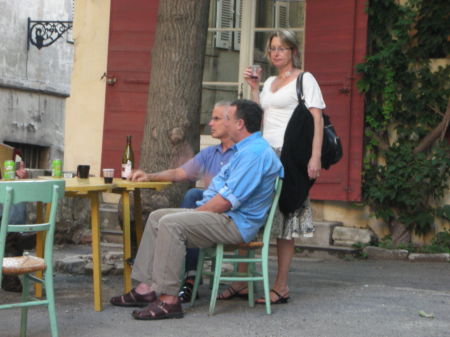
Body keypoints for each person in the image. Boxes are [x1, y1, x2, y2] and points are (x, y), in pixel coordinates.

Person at [110, 99, 283, 320]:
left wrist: (190, 215)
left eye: (225, 118)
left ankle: (169, 300)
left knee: (172, 224)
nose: (220, 123)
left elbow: (224, 203)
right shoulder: (244, 150)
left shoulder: (255, 154)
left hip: (234, 222)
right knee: (156, 217)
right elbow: (188, 177)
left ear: (239, 123)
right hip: (222, 216)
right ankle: (147, 288)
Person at [220, 29, 326, 304]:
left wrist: (315, 157)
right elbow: (260, 118)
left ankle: (281, 285)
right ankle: (242, 282)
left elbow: (317, 119)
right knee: (248, 212)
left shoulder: (305, 79)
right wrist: (255, 89)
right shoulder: (269, 81)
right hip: (263, 154)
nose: (276, 53)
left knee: (286, 219)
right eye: (272, 49)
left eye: (281, 48)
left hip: (290, 155)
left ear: (292, 51)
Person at [128, 101, 236, 303]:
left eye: (216, 119)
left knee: (181, 215)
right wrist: (149, 176)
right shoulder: (209, 153)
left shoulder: (244, 155)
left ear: (234, 123)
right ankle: (149, 285)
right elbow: (180, 172)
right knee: (190, 196)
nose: (210, 123)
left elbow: (231, 199)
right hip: (208, 210)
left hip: (227, 214)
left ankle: (185, 281)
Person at [0, 160, 32, 292]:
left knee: (15, 197)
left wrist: (20, 178)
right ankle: (17, 238)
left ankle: (14, 236)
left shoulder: (5, 153)